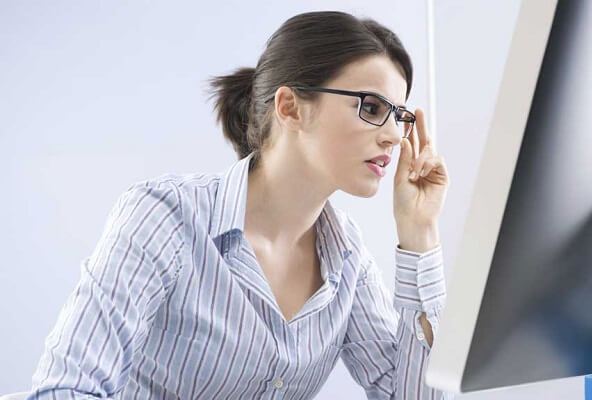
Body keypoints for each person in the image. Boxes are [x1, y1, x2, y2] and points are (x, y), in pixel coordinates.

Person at [26, 10, 452, 400]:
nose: (395, 136)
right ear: (290, 108)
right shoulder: (166, 218)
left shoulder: (347, 259)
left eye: (400, 116)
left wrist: (420, 236)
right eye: (372, 107)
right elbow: (65, 390)